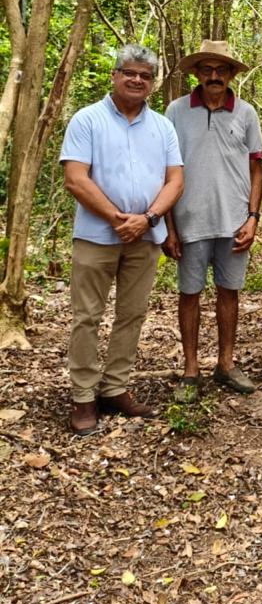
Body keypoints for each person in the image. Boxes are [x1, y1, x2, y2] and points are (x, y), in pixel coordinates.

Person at [60, 45, 183, 435]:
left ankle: (115, 387)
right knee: (87, 316)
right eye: (129, 72)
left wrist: (147, 218)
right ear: (114, 75)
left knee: (132, 313)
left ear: (152, 83)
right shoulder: (87, 120)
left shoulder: (162, 127)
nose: (136, 80)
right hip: (96, 236)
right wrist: (117, 219)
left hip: (145, 236)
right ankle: (83, 395)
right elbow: (75, 178)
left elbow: (175, 180)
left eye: (145, 76)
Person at [163, 40, 262, 401]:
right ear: (196, 73)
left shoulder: (246, 113)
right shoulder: (176, 111)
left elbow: (256, 168)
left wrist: (252, 218)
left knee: (229, 291)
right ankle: (191, 369)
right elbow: (165, 169)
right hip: (189, 219)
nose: (214, 76)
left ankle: (225, 363)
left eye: (221, 70)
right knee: (189, 293)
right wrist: (168, 227)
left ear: (232, 74)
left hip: (234, 221)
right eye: (206, 69)